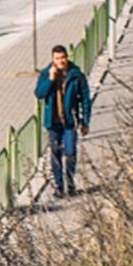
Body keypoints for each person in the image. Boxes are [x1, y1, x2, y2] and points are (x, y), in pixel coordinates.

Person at [34, 44, 90, 197]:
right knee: (55, 154)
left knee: (70, 151)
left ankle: (70, 181)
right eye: (57, 58)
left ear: (67, 57)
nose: (61, 61)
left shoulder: (76, 75)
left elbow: (85, 99)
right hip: (52, 122)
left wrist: (85, 122)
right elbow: (39, 93)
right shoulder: (46, 74)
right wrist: (51, 79)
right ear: (53, 59)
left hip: (68, 121)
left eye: (63, 57)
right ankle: (59, 186)